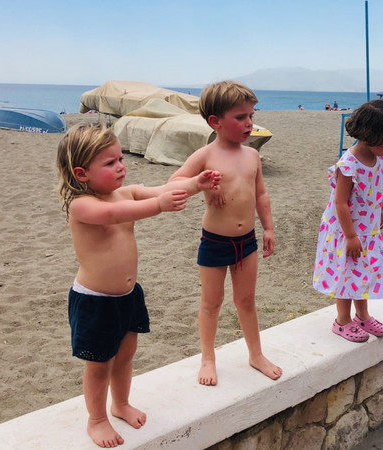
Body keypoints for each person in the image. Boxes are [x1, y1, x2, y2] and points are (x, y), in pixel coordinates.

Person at [56, 124, 220, 448]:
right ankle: (96, 419)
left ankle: (120, 404)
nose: (121, 166)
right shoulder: (82, 205)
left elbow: (163, 189)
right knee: (99, 365)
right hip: (95, 301)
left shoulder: (126, 192)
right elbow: (114, 214)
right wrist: (158, 206)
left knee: (126, 355)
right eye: (110, 162)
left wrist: (196, 184)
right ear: (81, 173)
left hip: (128, 296)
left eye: (120, 158)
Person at [168, 80, 282, 386]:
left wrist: (268, 228)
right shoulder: (205, 156)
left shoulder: (252, 155)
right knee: (211, 303)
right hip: (215, 241)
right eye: (240, 117)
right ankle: (208, 358)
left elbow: (261, 194)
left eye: (251, 115)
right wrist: (200, 183)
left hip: (247, 242)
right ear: (215, 122)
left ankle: (256, 355)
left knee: (246, 301)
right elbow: (173, 184)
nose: (249, 123)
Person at [313, 100, 383, 342]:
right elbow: (340, 203)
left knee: (362, 273)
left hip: (367, 229)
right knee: (346, 273)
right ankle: (342, 320)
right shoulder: (348, 165)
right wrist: (351, 236)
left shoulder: (380, 159)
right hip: (347, 230)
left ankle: (362, 316)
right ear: (369, 134)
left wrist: (381, 209)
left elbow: (375, 189)